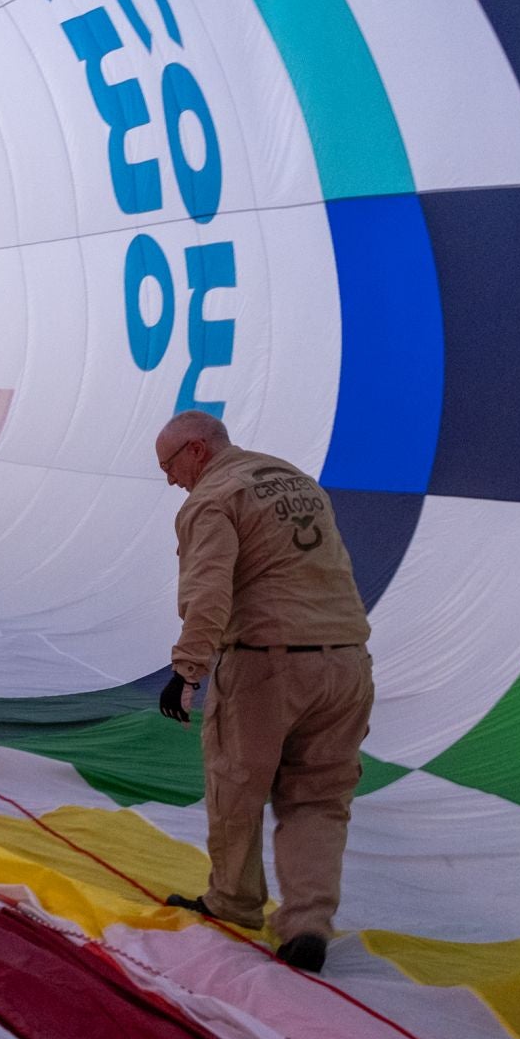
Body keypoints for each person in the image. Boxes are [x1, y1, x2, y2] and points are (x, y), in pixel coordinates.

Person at [152, 409, 373, 974]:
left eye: (170, 465)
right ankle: (307, 924)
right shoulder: (297, 479)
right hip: (347, 661)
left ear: (197, 449)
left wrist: (187, 669)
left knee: (235, 789)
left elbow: (209, 591)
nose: (171, 480)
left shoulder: (212, 499)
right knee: (320, 799)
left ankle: (234, 901)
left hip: (267, 664)